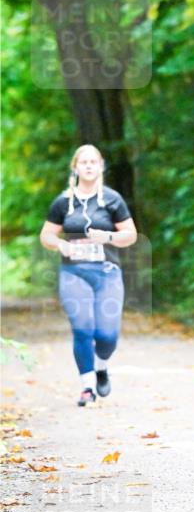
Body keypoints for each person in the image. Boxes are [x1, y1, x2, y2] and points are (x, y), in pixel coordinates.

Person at [39, 145, 138, 406]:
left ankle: (101, 366)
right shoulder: (63, 201)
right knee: (82, 327)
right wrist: (61, 244)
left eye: (93, 161)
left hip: (107, 272)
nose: (89, 165)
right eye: (83, 162)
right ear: (75, 167)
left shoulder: (112, 199)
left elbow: (131, 235)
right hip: (74, 272)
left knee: (107, 335)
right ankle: (87, 386)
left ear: (101, 166)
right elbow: (46, 234)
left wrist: (106, 236)